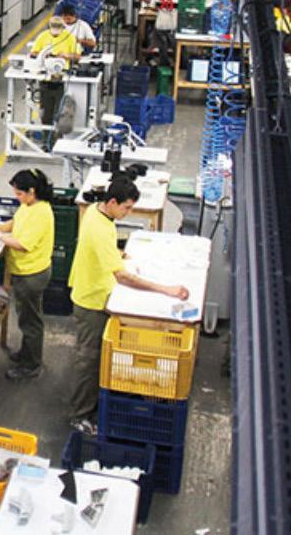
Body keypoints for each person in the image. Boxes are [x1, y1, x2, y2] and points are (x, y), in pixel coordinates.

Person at [67, 177, 189, 435]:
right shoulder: (100, 228)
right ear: (112, 202)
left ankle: (91, 405)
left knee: (94, 356)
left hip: (95, 290)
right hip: (91, 302)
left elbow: (98, 250)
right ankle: (79, 416)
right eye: (127, 207)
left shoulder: (97, 212)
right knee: (88, 360)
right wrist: (166, 289)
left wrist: (118, 254)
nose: (129, 213)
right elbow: (122, 276)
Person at [0, 170, 55, 381]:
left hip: (32, 275)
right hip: (23, 272)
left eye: (19, 193)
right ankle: (26, 354)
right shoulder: (29, 205)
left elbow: (23, 244)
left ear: (32, 191)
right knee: (26, 317)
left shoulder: (41, 213)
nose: (17, 197)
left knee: (30, 322)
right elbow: (16, 222)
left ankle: (31, 366)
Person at [150, 0, 181, 66]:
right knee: (175, 45)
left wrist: (161, 8)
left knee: (162, 45)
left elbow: (152, 6)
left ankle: (164, 64)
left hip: (161, 23)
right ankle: (177, 65)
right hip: (173, 23)